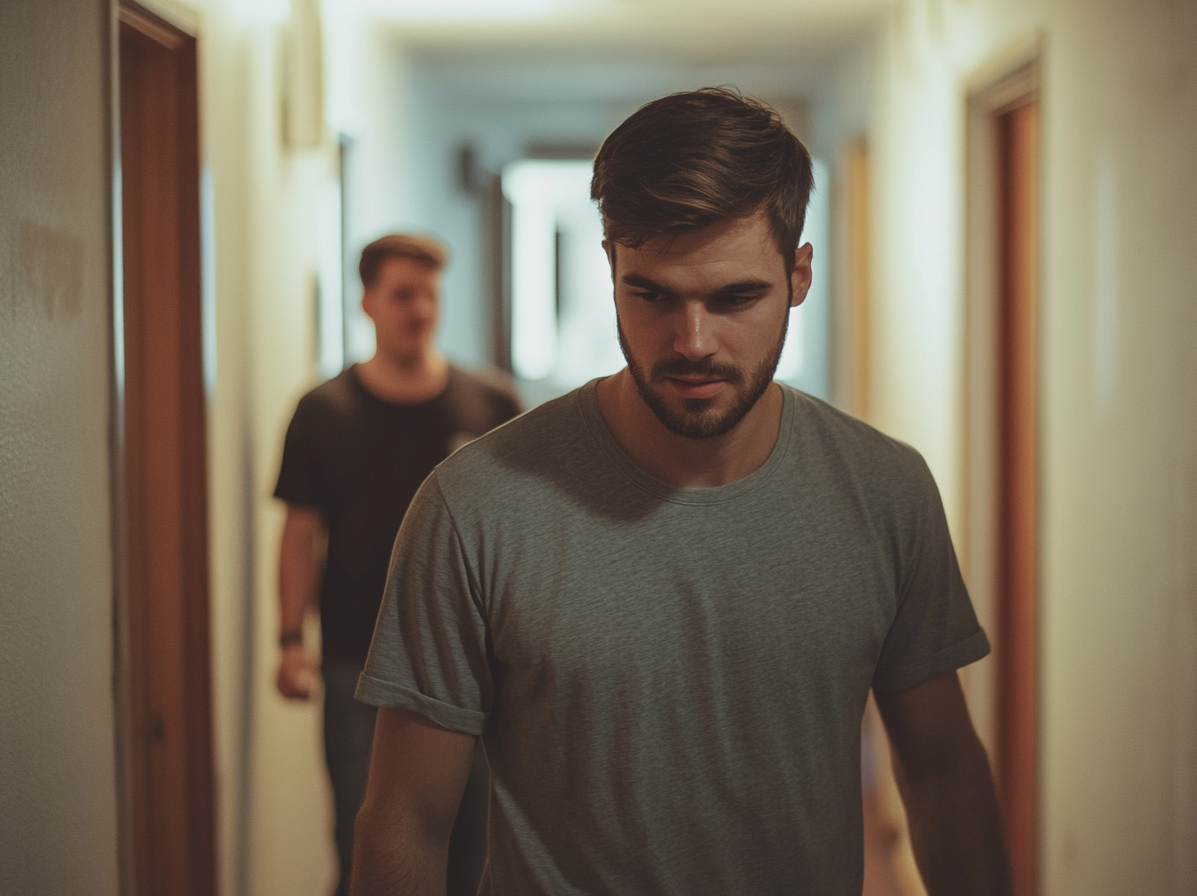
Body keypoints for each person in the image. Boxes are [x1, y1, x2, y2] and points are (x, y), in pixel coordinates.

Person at [351, 90, 1012, 895]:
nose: (692, 343)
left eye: (735, 298)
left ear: (799, 274)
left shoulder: (883, 491)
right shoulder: (476, 507)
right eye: (654, 294)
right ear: (610, 269)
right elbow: (408, 821)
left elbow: (942, 771)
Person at [273, 233, 522, 896]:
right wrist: (291, 641)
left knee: (474, 854)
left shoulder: (492, 406)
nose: (420, 309)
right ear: (368, 303)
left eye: (430, 294)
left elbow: (523, 533)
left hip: (475, 668)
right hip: (359, 667)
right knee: (370, 850)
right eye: (403, 294)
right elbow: (302, 533)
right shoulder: (323, 411)